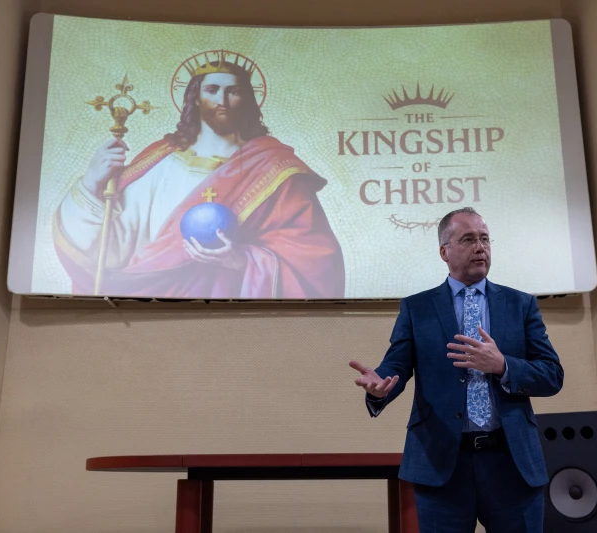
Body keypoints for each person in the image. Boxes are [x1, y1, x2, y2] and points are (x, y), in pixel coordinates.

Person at [54, 53, 344, 298]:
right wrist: (92, 182)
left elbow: (316, 263)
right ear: (194, 98)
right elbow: (110, 249)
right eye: (212, 90)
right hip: (149, 306)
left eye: (233, 91)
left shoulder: (274, 169)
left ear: (247, 100)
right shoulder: (160, 161)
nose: (222, 100)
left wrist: (243, 260)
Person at [349, 207, 563, 532]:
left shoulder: (520, 304)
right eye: (468, 239)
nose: (480, 247)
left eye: (485, 239)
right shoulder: (418, 307)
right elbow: (396, 366)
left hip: (511, 464)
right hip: (441, 465)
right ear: (444, 252)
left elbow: (552, 374)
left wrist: (503, 366)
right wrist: (380, 388)